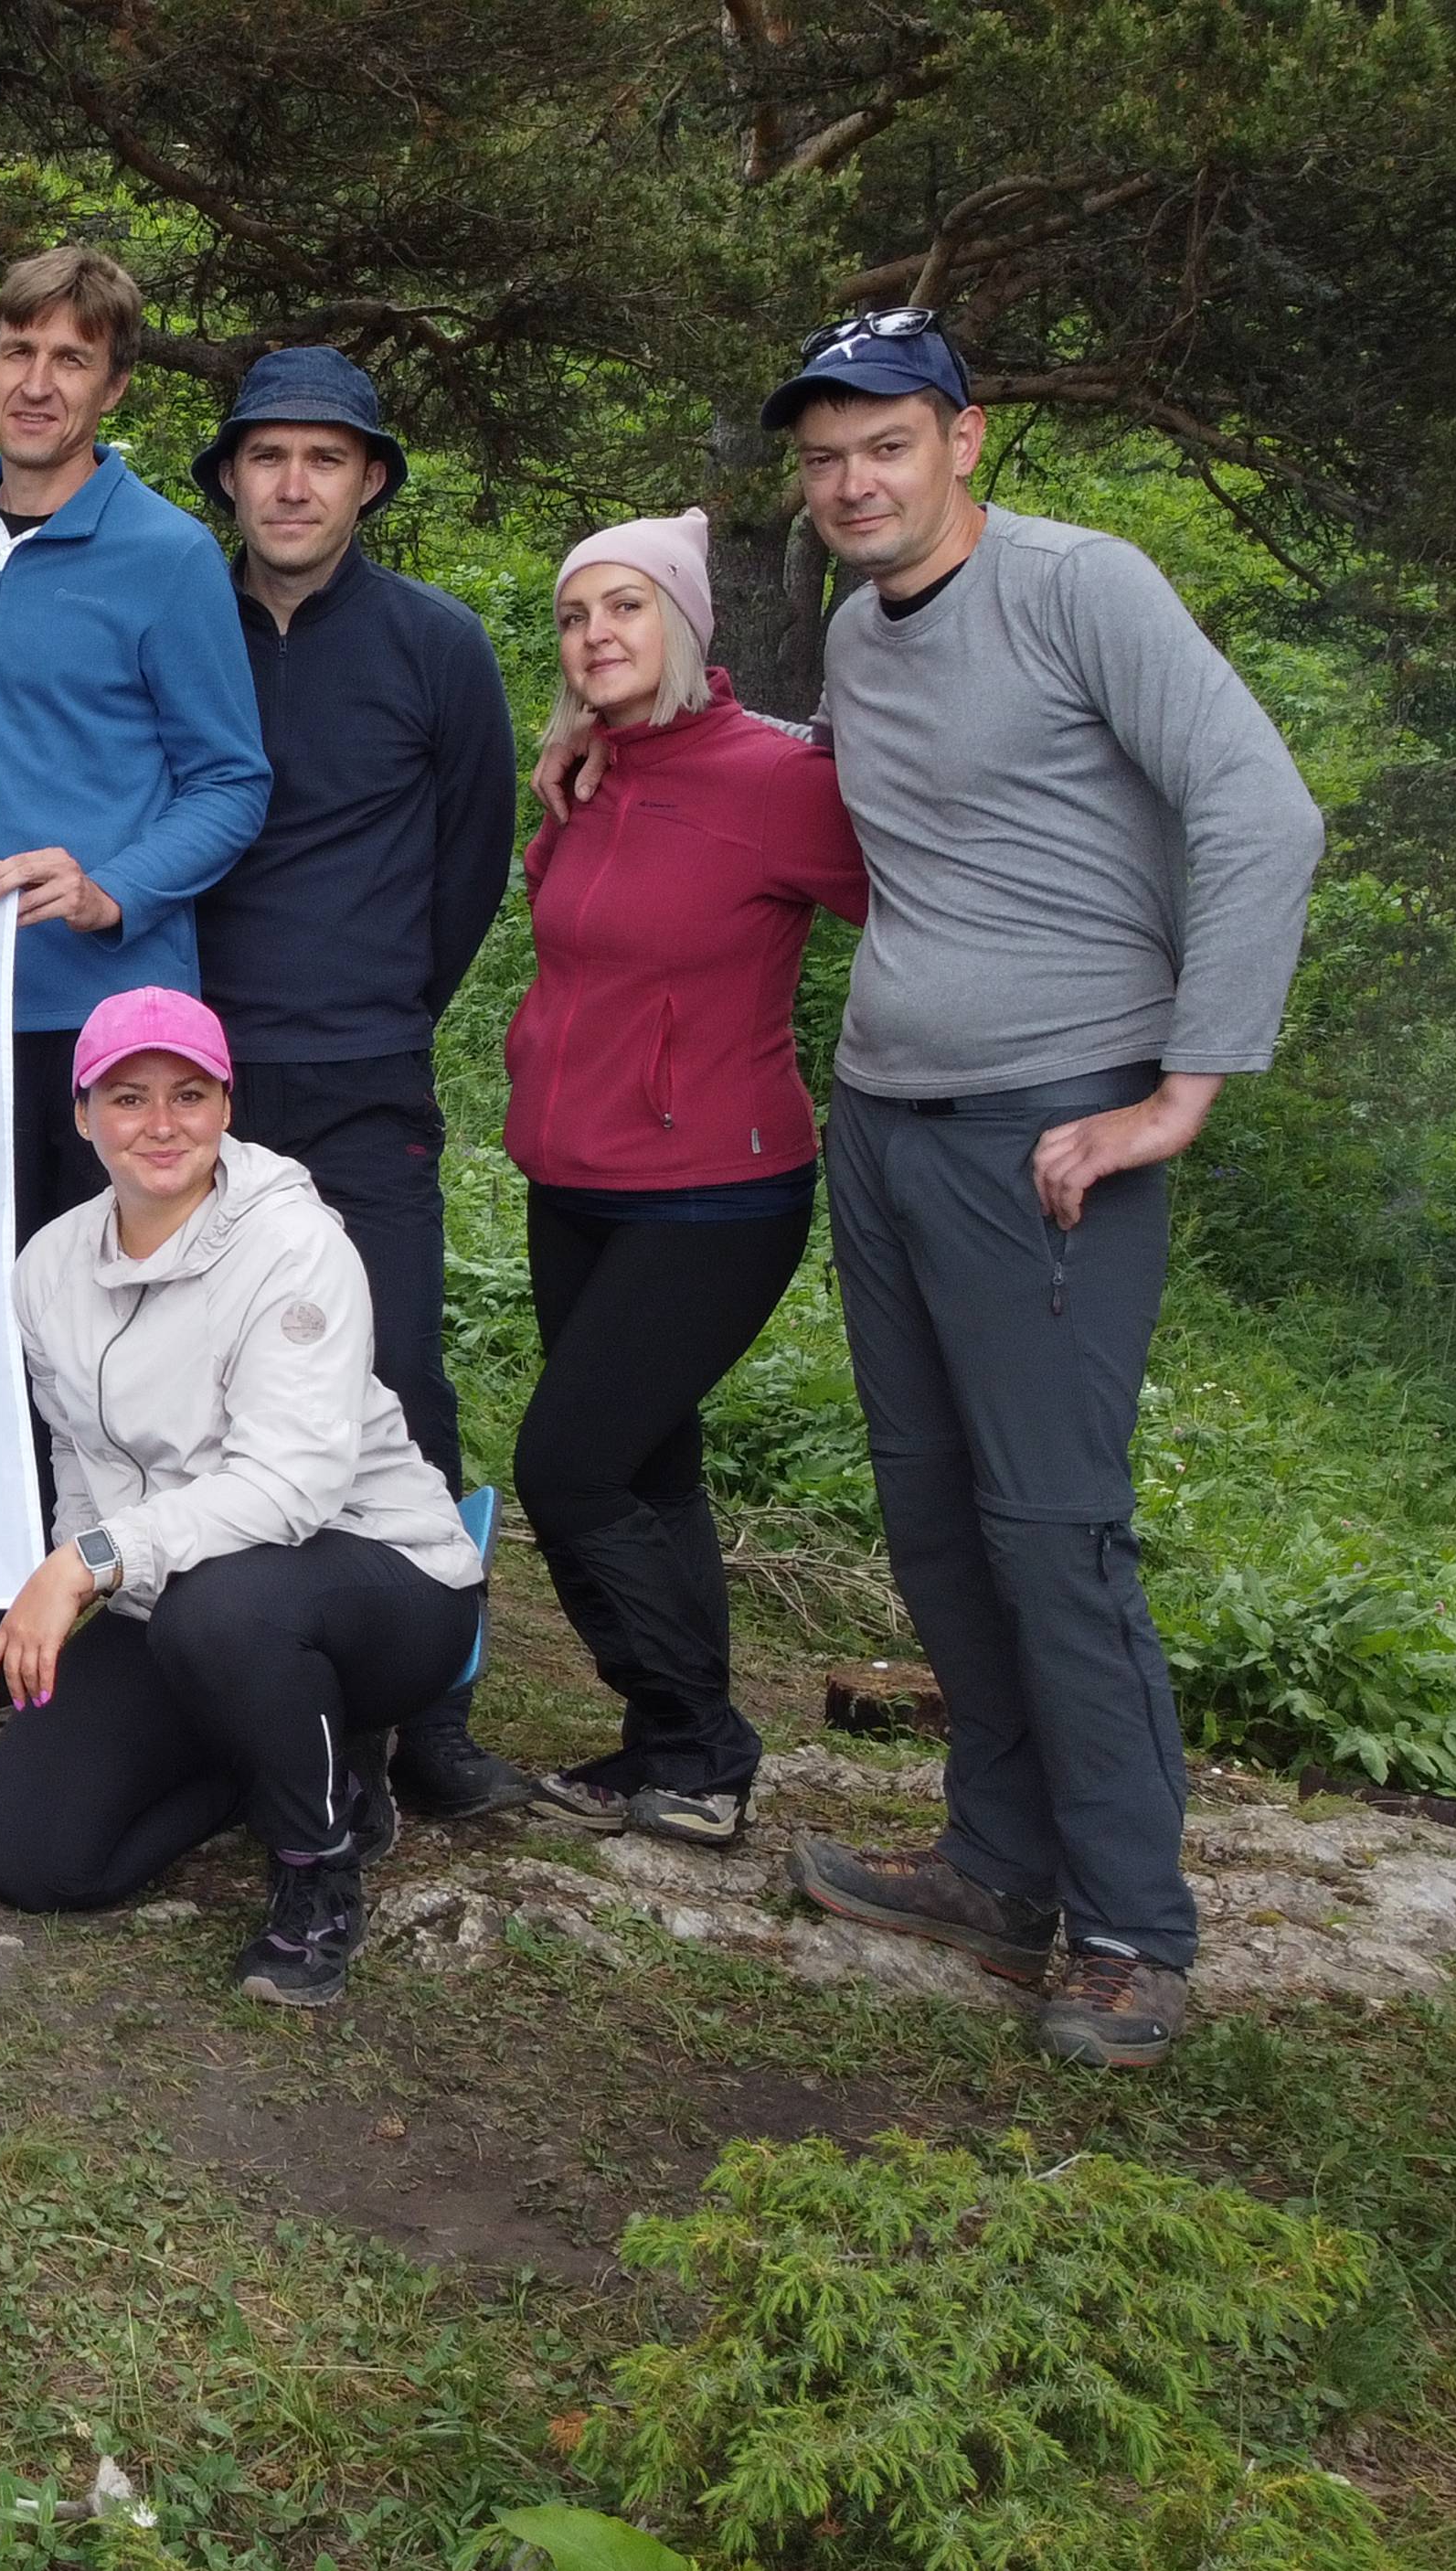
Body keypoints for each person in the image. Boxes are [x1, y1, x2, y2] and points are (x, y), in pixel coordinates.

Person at [744, 312, 1322, 2070]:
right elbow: (845, 805)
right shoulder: (859, 624)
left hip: (1056, 1123)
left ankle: (1137, 1928)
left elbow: (1261, 809)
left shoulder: (1089, 589)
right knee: (930, 1515)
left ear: (964, 442)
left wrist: (1180, 1092)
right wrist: (614, 736)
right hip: (891, 1123)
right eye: (827, 456)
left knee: (1052, 1531)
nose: (854, 482)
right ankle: (998, 1867)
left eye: (887, 446)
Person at [0, 247, 271, 1750]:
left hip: (107, 1022)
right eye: (16, 349)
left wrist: (115, 882)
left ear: (112, 386)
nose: (38, 381)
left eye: (72, 360)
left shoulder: (163, 558)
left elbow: (235, 781)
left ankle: (123, 1625)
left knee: (115, 1340)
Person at [0, 989, 486, 2008]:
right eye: (127, 1097)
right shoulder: (47, 1266)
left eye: (188, 1095)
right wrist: (86, 1576)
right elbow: (76, 1453)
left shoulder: (294, 1247)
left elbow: (290, 1488)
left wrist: (83, 1564)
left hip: (378, 1581)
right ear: (81, 1115)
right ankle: (279, 1762)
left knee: (227, 1606)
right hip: (178, 1599)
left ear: (225, 1106)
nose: (159, 1124)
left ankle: (317, 1872)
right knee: (32, 1859)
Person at [179, 344, 535, 1824]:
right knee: (204, 1389)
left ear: (370, 479)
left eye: (325, 457)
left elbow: (469, 863)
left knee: (399, 1384)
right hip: (198, 1082)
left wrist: (381, 999)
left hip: (366, 1070)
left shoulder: (436, 645)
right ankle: (236, 1693)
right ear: (231, 478)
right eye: (268, 456)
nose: (294, 482)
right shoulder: (178, 619)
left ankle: (430, 1711)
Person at [500, 508, 868, 1848]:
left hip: (716, 1189)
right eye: (575, 614)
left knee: (571, 1465)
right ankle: (676, 1753)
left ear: (685, 624)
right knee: (650, 1474)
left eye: (626, 607)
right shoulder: (587, 773)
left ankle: (703, 1739)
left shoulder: (777, 780)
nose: (597, 633)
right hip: (573, 1175)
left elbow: (922, 906)